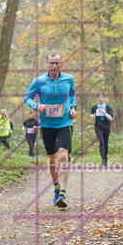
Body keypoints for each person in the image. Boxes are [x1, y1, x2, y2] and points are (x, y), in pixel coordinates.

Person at [25, 51, 77, 209]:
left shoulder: (68, 79)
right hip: (47, 125)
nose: (54, 66)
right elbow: (27, 97)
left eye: (57, 63)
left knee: (63, 155)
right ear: (47, 64)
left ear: (61, 64)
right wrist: (36, 106)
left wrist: (73, 107)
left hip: (65, 122)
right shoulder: (39, 81)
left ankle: (63, 192)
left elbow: (72, 95)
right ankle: (55, 187)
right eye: (51, 63)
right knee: (52, 159)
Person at [91, 93, 115, 166]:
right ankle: (103, 159)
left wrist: (105, 113)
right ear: (98, 99)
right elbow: (92, 116)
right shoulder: (94, 108)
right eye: (99, 97)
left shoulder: (108, 108)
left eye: (102, 97)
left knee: (105, 143)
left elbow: (111, 118)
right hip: (98, 126)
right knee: (101, 142)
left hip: (106, 127)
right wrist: (92, 117)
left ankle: (105, 159)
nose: (101, 99)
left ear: (104, 98)